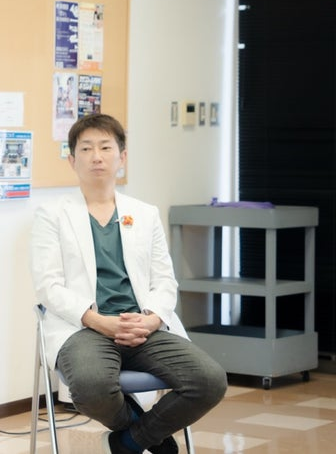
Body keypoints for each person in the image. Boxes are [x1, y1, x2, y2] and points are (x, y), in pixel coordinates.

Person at [29, 113, 227, 454]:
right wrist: (97, 321)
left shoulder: (145, 214)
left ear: (122, 157)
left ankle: (128, 442)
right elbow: (48, 286)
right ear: (72, 160)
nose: (97, 156)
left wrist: (151, 319)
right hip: (84, 327)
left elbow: (165, 279)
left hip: (142, 326)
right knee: (91, 387)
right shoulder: (52, 215)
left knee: (209, 381)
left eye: (105, 147)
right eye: (86, 149)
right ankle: (144, 436)